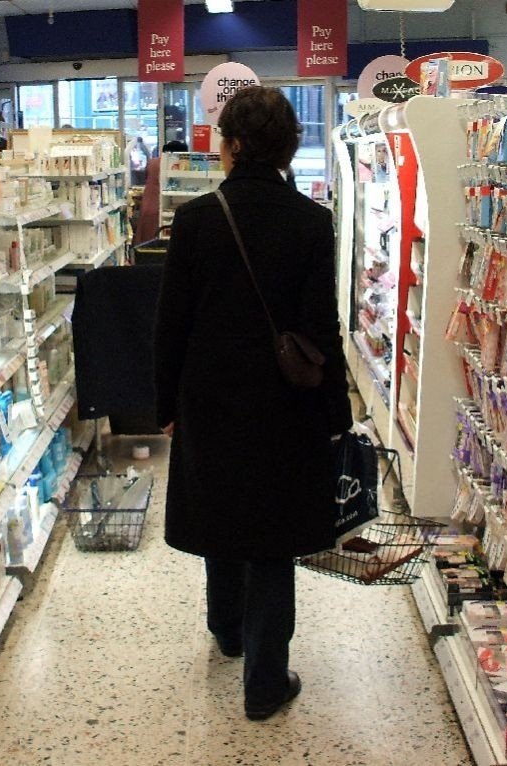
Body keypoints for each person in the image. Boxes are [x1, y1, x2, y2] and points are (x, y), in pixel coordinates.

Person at [153, 87, 352, 721]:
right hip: (283, 404)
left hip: (209, 396)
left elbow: (171, 325)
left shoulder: (195, 220)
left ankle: (227, 629)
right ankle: (265, 681)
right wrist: (335, 414)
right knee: (271, 535)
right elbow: (322, 330)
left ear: (233, 144)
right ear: (288, 146)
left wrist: (165, 402)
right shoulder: (312, 222)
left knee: (221, 509)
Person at [135, 140, 187, 245]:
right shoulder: (176, 164)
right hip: (161, 203)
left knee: (146, 238)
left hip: (148, 202)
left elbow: (146, 178)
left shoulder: (152, 162)